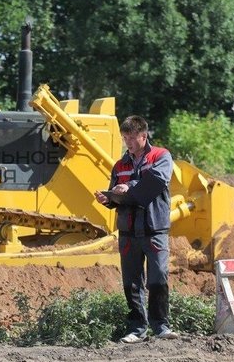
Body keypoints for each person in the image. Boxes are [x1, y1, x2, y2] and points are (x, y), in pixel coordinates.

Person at [95, 115, 179, 343]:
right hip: (128, 232)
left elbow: (154, 183)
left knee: (158, 279)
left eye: (132, 138)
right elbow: (118, 193)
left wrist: (128, 187)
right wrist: (108, 199)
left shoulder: (161, 156)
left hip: (154, 229)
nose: (128, 143)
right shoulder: (119, 165)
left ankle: (161, 327)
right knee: (131, 282)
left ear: (144, 135)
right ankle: (137, 329)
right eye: (125, 138)